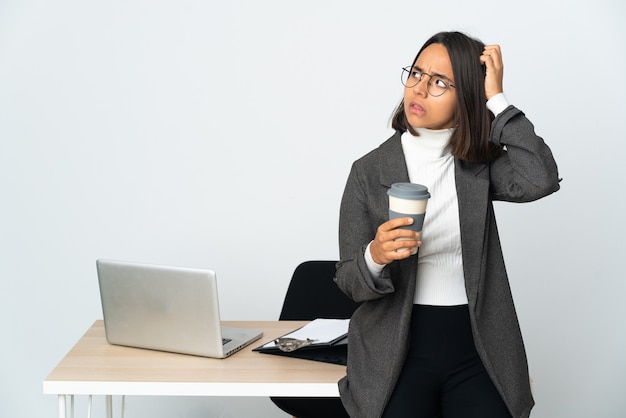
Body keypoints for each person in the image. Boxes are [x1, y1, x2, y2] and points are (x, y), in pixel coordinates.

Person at [335, 31, 560, 418]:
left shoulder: (479, 164)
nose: (420, 89)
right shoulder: (368, 172)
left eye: (440, 82)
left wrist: (497, 98)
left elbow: (540, 177)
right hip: (394, 348)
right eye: (416, 74)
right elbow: (349, 281)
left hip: (478, 342)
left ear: (467, 97)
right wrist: (375, 255)